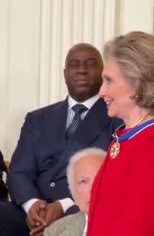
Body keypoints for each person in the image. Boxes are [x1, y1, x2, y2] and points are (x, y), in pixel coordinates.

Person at [0, 43, 122, 236]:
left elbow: (112, 178)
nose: (81, 70)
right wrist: (32, 204)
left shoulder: (116, 118)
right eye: (75, 64)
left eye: (90, 64)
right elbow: (19, 171)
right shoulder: (37, 119)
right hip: (32, 214)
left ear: (102, 72)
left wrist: (62, 206)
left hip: (79, 210)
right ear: (65, 74)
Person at [86, 31, 154, 236]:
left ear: (137, 84)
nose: (101, 92)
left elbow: (137, 226)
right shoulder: (129, 136)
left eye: (109, 81)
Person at [44, 148, 106, 236]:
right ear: (73, 193)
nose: (93, 189)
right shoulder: (55, 232)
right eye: (83, 181)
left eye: (100, 179)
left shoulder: (131, 227)